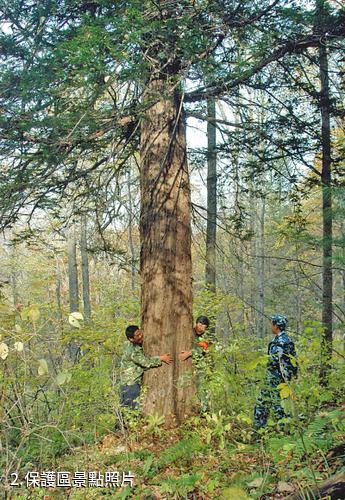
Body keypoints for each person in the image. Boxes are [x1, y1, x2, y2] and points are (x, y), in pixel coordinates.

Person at [254, 314, 297, 429]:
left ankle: (268, 429)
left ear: (276, 326)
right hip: (282, 379)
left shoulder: (280, 342)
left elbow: (275, 360)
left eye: (272, 323)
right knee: (272, 403)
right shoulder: (287, 339)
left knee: (270, 404)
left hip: (275, 378)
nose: (270, 326)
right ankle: (280, 429)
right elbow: (294, 360)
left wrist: (262, 363)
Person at [119, 325, 173, 411]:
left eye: (140, 333)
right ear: (131, 339)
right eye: (137, 336)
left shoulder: (128, 344)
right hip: (131, 385)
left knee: (125, 409)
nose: (141, 336)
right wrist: (161, 358)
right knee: (132, 410)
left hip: (126, 384)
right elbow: (146, 363)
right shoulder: (133, 351)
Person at [179, 315, 214, 413]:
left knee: (202, 387)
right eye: (200, 324)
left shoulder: (205, 337)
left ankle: (204, 411)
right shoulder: (188, 331)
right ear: (196, 323)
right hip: (188, 367)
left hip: (200, 365)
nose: (202, 328)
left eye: (204, 326)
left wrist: (188, 353)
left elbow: (202, 349)